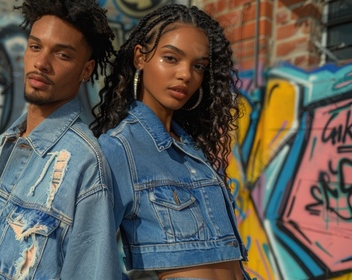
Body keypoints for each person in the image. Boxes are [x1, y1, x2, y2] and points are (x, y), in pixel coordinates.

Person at [0, 0, 121, 279]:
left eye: (62, 55)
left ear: (86, 70)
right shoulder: (3, 145)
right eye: (35, 47)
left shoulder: (85, 164)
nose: (41, 63)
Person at [91, 4, 251, 280]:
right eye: (171, 58)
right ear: (141, 57)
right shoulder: (118, 149)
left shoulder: (194, 152)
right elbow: (91, 258)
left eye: (198, 66)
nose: (186, 75)